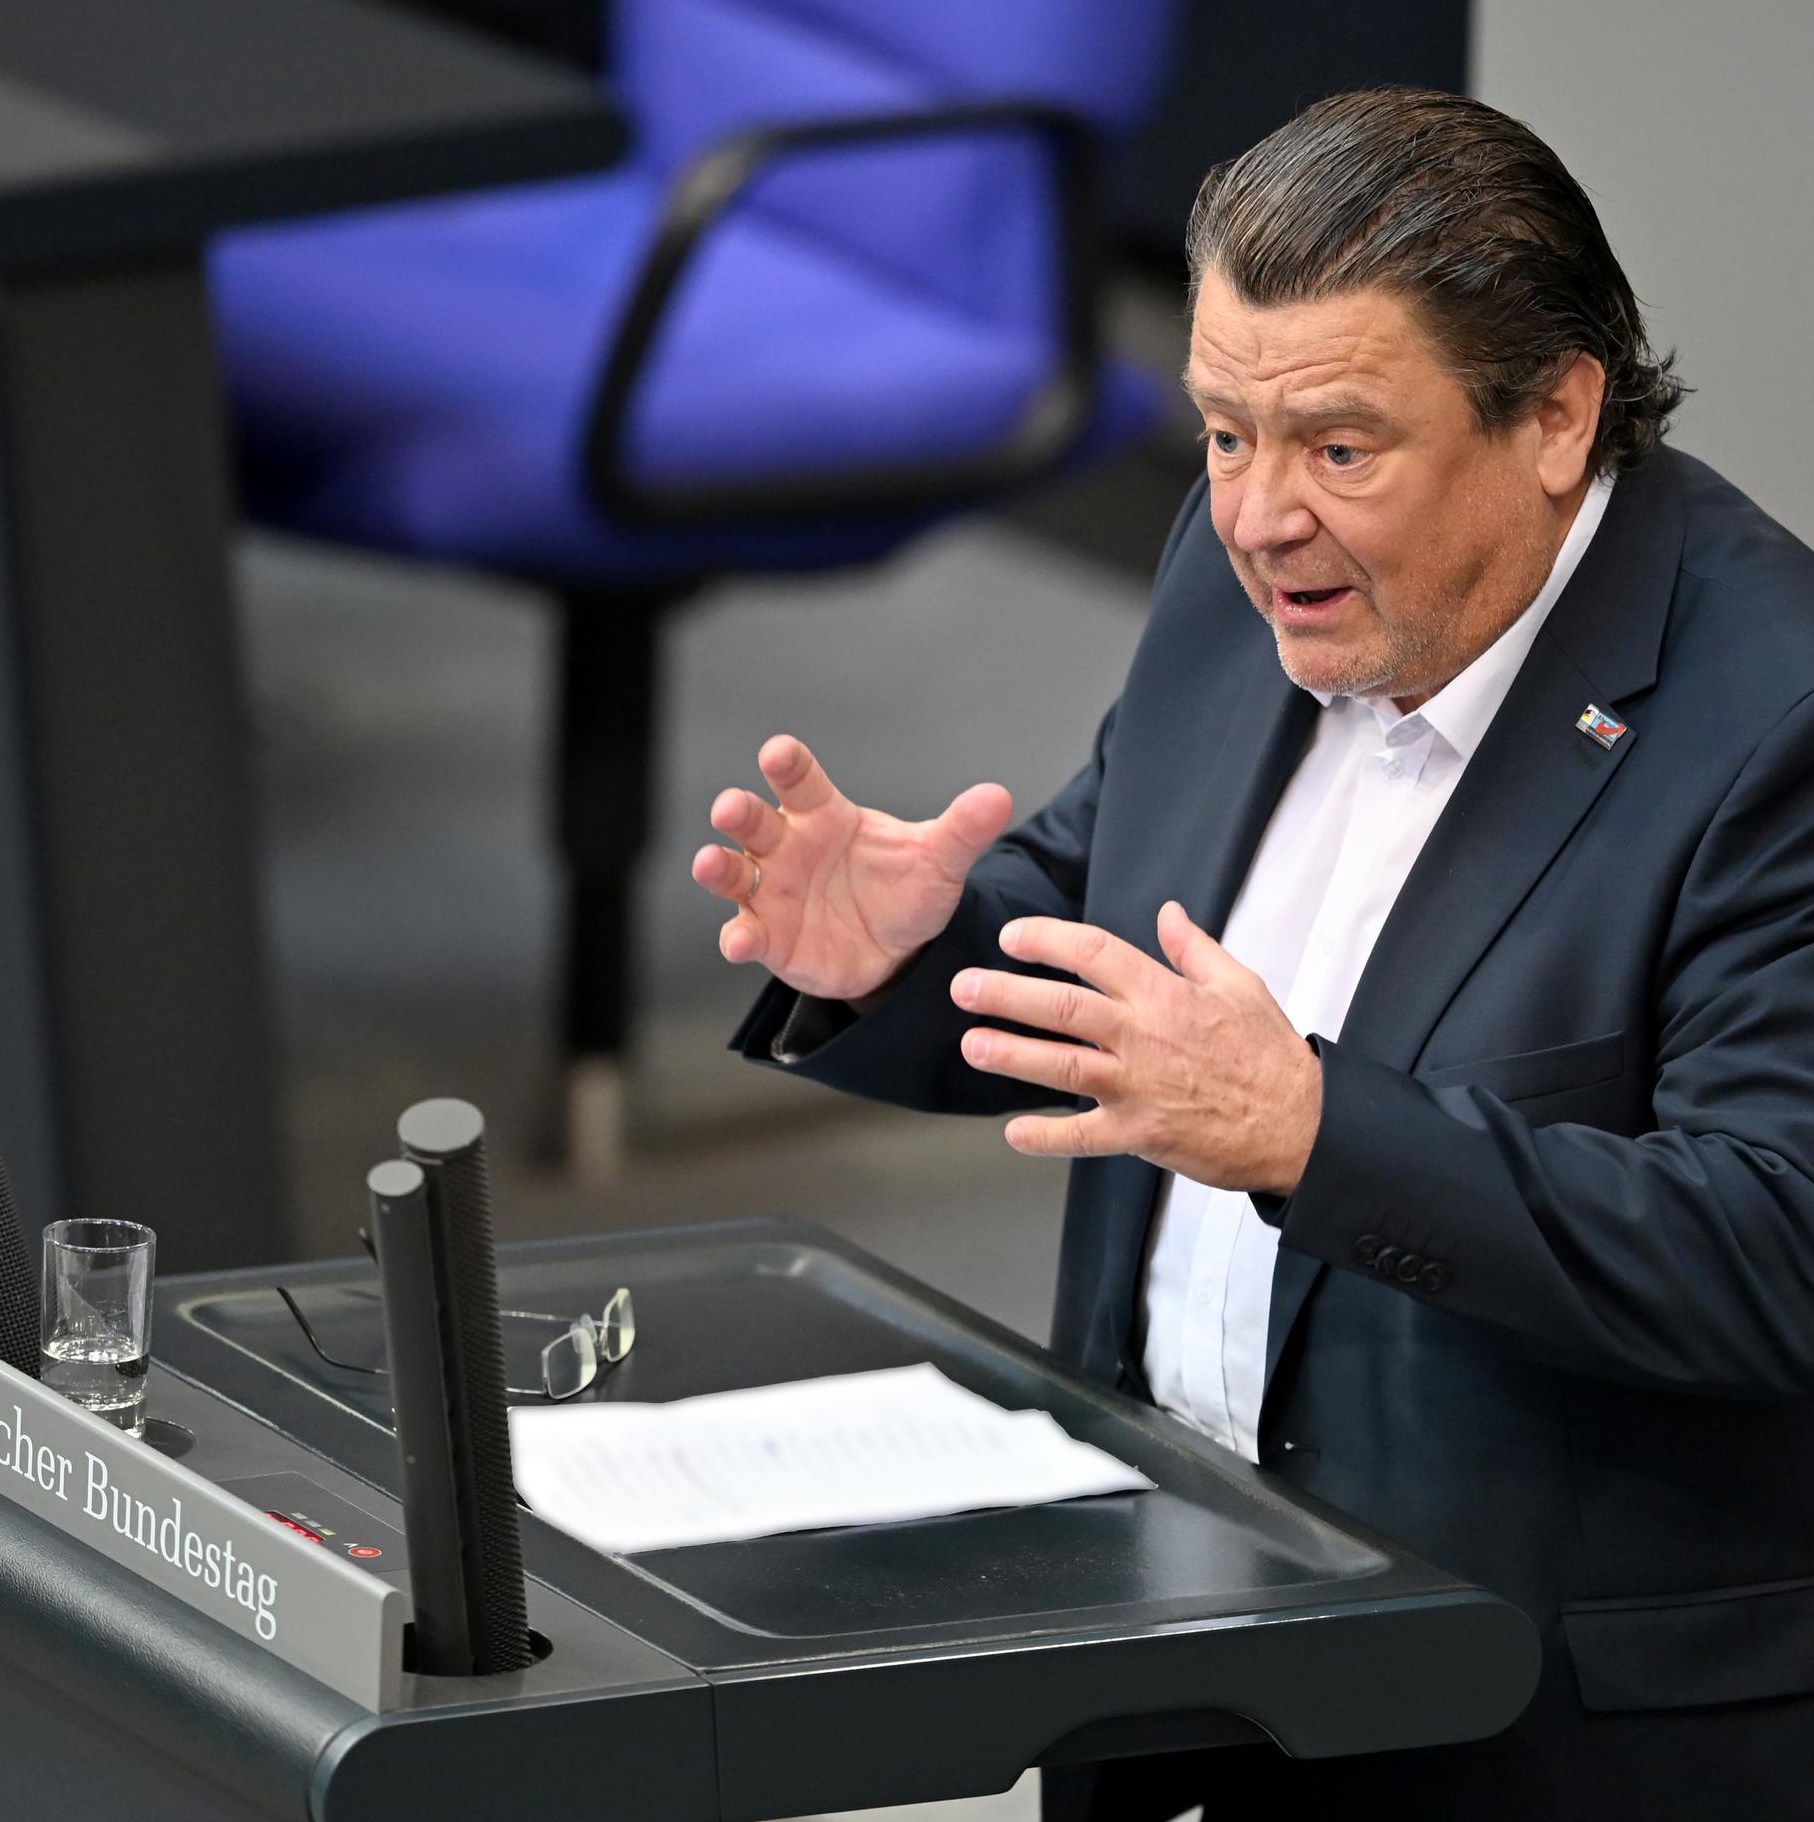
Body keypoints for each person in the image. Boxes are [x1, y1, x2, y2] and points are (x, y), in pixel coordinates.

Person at [692, 88, 1814, 1819]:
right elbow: (1120, 937)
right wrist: (909, 956)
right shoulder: (1248, 579)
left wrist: (1309, 1130)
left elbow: (1769, 1251)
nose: (1258, 515)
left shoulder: (1774, 722)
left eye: (1339, 449)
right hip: (1170, 1657)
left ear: (1556, 418)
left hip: (1532, 1734)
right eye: (1223, 434)